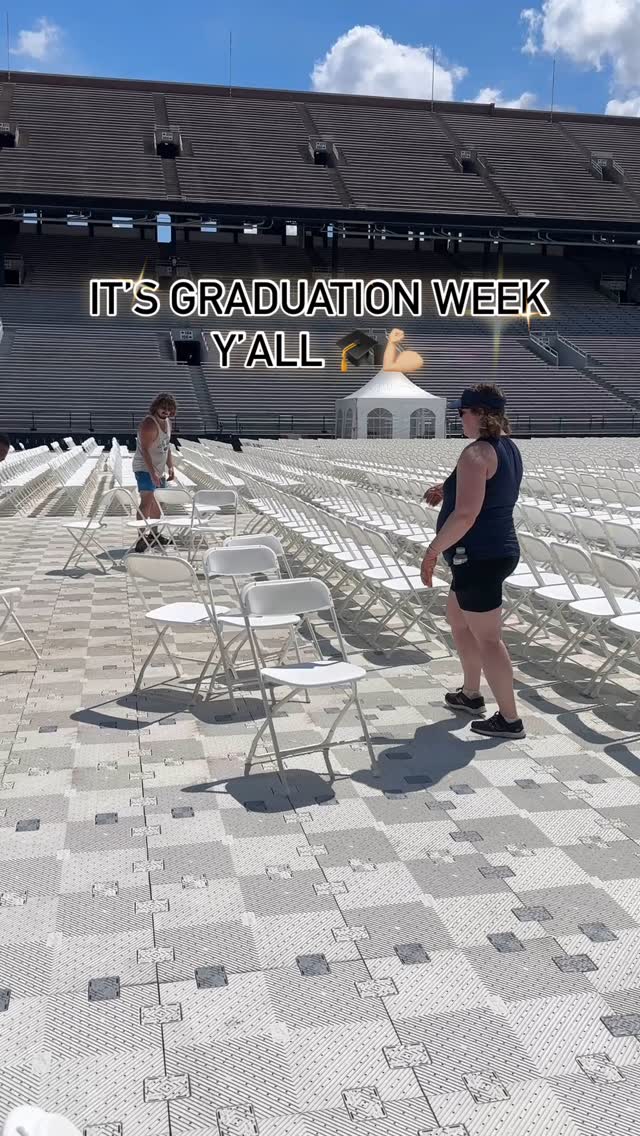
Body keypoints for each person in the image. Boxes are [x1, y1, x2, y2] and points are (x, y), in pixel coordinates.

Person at [420, 384, 525, 739]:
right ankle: (470, 694)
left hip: (479, 557)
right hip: (490, 553)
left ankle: (510, 719)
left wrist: (432, 552)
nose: (458, 418)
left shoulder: (476, 453)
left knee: (489, 639)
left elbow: (465, 516)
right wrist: (445, 488)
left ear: (480, 414)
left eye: (462, 412)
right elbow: (486, 486)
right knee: (457, 619)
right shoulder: (505, 446)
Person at [131, 393, 177, 552]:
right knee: (146, 502)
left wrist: (170, 466)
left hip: (159, 468)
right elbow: (144, 450)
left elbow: (166, 446)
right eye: (163, 408)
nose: (166, 411)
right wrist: (152, 473)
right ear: (156, 407)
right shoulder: (149, 424)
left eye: (169, 409)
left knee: (158, 502)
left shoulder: (168, 423)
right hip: (145, 468)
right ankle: (141, 537)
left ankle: (154, 535)